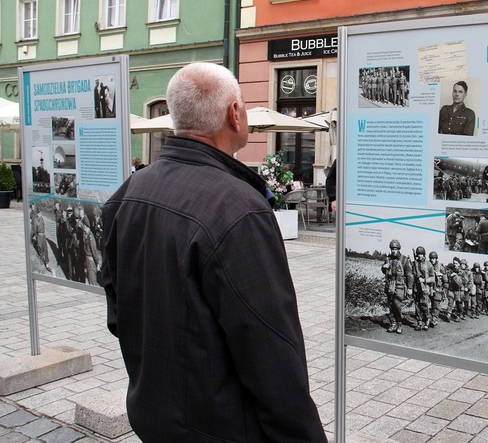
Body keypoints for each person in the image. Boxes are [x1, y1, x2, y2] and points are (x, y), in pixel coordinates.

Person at [99, 62, 326, 442]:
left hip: (153, 414)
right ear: (234, 114)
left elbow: (118, 313)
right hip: (219, 427)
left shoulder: (129, 191)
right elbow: (270, 350)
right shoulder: (239, 209)